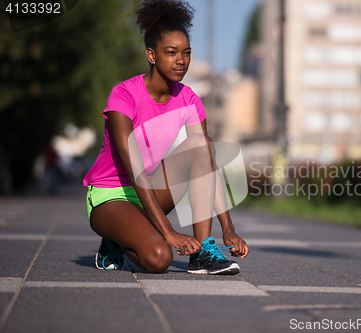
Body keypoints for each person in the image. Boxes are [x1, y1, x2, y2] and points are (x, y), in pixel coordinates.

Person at [83, 0, 249, 275]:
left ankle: (204, 252)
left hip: (150, 192)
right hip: (111, 195)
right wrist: (169, 232)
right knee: (159, 258)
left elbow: (206, 164)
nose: (181, 60)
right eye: (171, 52)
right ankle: (115, 237)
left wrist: (228, 227)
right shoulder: (123, 96)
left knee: (202, 145)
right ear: (151, 54)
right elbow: (135, 172)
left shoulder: (189, 99)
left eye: (186, 53)